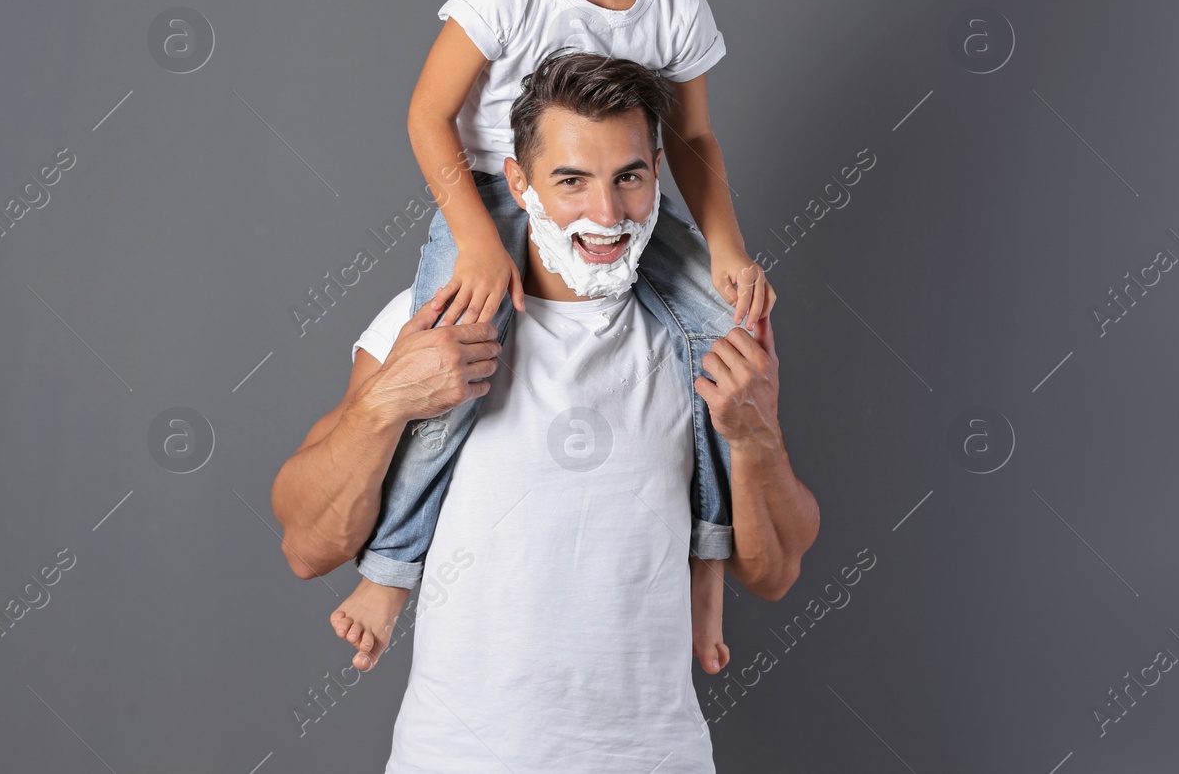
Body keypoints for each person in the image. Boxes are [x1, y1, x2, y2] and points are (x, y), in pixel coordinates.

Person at [330, 0, 775, 676]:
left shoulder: (678, 6)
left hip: (622, 208)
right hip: (493, 195)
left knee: (726, 341)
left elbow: (690, 140)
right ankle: (391, 566)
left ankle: (706, 572)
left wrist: (727, 248)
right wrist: (480, 240)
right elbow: (427, 115)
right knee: (449, 357)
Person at [270, 52, 818, 772]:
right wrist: (385, 401)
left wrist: (753, 440)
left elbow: (776, 570)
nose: (607, 214)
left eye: (629, 177)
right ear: (520, 184)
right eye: (572, 180)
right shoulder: (429, 323)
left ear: (657, 171)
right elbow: (307, 545)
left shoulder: (705, 340)